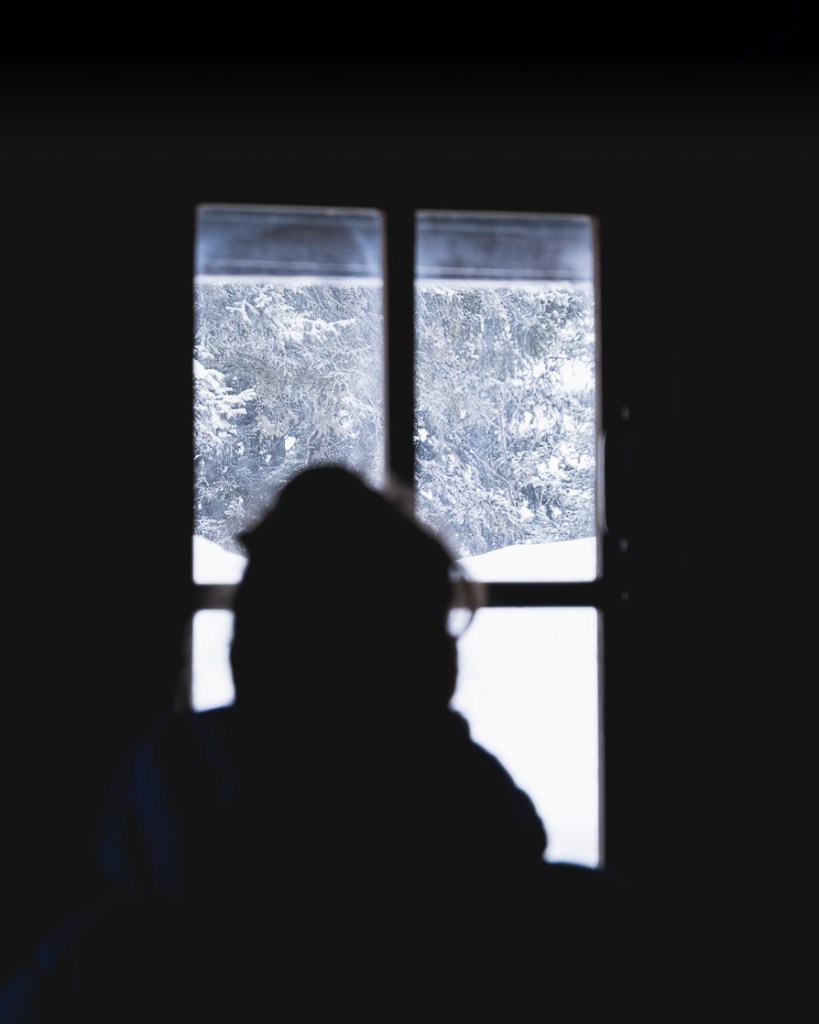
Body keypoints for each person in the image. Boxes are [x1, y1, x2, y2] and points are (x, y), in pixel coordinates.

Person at [0, 464, 642, 1021]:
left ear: (247, 657)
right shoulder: (576, 947)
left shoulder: (99, 971)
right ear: (430, 667)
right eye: (440, 628)